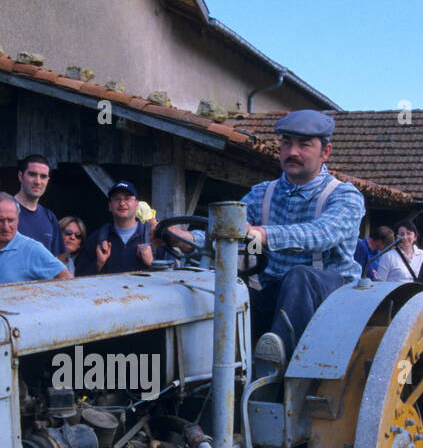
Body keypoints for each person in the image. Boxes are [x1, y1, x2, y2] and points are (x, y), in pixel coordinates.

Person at [167, 110, 365, 376]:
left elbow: (321, 234)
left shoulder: (344, 196)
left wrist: (262, 234)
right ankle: (201, 373)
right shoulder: (262, 193)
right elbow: (229, 235)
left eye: (304, 145)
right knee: (224, 290)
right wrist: (187, 240)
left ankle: (278, 372)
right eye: (286, 143)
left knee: (300, 276)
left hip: (333, 296)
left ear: (325, 152)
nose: (292, 152)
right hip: (274, 293)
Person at [0, 193, 72, 285]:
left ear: (18, 220)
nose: (6, 227)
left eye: (11, 220)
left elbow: (68, 279)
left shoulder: (32, 249)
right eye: (0, 221)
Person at [78, 181, 156, 276]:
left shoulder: (154, 237)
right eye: (116, 199)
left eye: (127, 198)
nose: (122, 203)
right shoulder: (97, 238)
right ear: (110, 206)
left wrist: (152, 263)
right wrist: (98, 264)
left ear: (136, 204)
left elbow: (172, 277)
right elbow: (78, 277)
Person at [14, 154, 64, 255]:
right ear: (20, 176)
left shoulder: (50, 218)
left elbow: (57, 261)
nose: (38, 182)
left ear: (48, 180)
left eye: (43, 176)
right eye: (32, 174)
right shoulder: (2, 211)